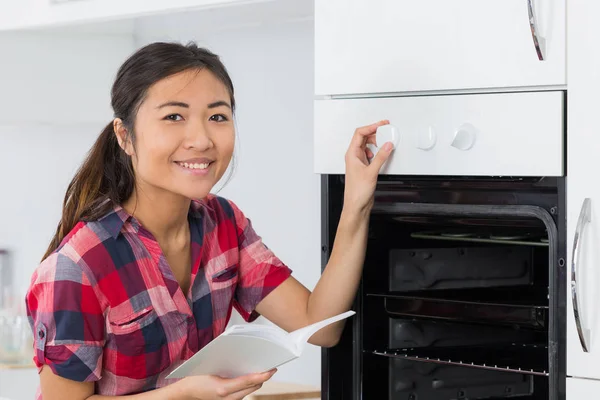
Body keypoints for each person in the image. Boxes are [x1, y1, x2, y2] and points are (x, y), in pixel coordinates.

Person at [24, 42, 394, 400]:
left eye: (217, 116)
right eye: (174, 117)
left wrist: (356, 203)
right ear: (125, 136)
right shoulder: (78, 266)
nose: (201, 140)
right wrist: (179, 396)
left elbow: (320, 326)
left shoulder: (224, 225)